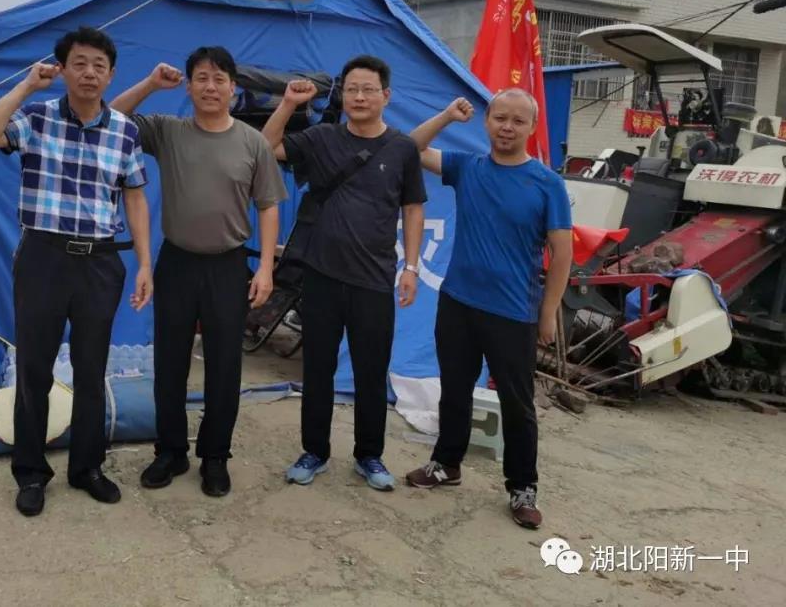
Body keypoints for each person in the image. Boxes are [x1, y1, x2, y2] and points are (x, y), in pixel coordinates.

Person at [0, 27, 152, 516]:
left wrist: (144, 263)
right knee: (35, 368)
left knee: (92, 369)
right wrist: (27, 85)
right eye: (80, 63)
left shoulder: (125, 130)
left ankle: (87, 467)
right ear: (64, 69)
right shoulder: (37, 118)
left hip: (100, 260)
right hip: (43, 257)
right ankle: (31, 473)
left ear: (111, 74)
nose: (89, 73)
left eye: (99, 65)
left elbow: (135, 197)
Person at [110, 47, 286, 497]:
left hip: (228, 265)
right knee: (170, 362)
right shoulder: (169, 131)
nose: (211, 87)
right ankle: (170, 451)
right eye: (202, 78)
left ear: (233, 88)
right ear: (188, 87)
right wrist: (151, 84)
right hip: (178, 262)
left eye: (219, 79)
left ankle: (215, 456)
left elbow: (268, 205)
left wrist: (266, 267)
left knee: (225, 366)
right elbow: (112, 118)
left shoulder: (252, 143)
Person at [404, 90, 573, 530]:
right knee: (454, 389)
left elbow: (562, 252)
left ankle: (522, 487)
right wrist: (446, 115)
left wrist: (548, 312)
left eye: (518, 120)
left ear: (531, 127)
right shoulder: (468, 167)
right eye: (500, 118)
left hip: (513, 312)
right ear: (486, 121)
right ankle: (447, 463)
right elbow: (412, 148)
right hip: (458, 302)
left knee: (517, 404)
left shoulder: (547, 184)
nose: (507, 127)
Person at [261, 55, 425, 492]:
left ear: (385, 95)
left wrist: (411, 267)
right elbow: (267, 148)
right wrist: (288, 104)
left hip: (374, 279)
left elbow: (413, 208)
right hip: (322, 276)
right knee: (318, 369)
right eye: (351, 89)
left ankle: (369, 456)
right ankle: (314, 451)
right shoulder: (322, 138)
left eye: (368, 89)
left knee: (371, 371)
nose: (359, 97)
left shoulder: (402, 148)